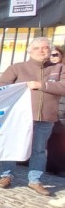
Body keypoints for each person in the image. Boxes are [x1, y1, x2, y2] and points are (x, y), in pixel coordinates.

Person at [0, 37, 65, 196]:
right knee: (12, 146)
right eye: (37, 48)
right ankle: (7, 175)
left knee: (39, 150)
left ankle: (35, 180)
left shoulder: (59, 68)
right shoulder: (17, 68)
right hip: (19, 117)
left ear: (50, 50)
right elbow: (1, 88)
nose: (42, 50)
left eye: (45, 48)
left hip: (46, 117)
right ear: (29, 51)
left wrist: (42, 85)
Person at [46, 45, 65, 176]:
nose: (52, 57)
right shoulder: (43, 69)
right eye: (50, 54)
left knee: (58, 139)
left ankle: (59, 167)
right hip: (45, 108)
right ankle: (50, 165)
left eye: (55, 54)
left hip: (61, 108)